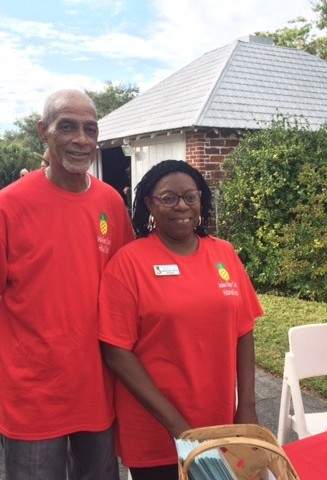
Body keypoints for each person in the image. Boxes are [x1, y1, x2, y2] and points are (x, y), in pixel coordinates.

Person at [98, 160, 262, 480]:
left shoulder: (224, 254)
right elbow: (116, 351)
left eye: (190, 196)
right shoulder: (128, 263)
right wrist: (179, 429)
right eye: (169, 198)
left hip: (220, 422)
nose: (181, 206)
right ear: (149, 204)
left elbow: (244, 331)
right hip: (154, 430)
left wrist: (248, 406)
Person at [0, 89, 133, 479]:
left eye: (90, 129)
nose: (81, 139)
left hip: (98, 388)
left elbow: (127, 290)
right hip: (32, 394)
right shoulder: (9, 205)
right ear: (44, 131)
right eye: (67, 127)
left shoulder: (110, 202)